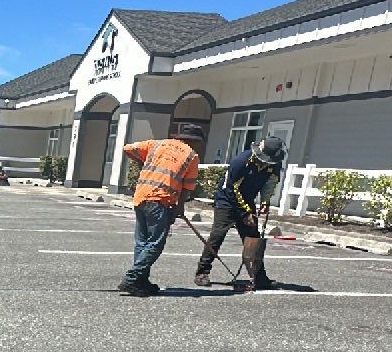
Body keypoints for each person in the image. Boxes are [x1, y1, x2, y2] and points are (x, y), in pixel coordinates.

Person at [117, 124, 203, 296]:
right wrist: (179, 208)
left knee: (143, 242)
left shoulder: (156, 145)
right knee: (155, 243)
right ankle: (133, 278)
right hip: (159, 200)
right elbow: (187, 187)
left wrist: (145, 163)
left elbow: (127, 149)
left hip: (141, 196)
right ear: (194, 141)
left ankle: (140, 281)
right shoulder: (191, 156)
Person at [193, 136, 287, 289]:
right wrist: (244, 214)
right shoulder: (241, 161)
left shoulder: (275, 164)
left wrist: (265, 201)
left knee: (254, 239)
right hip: (227, 200)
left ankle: (259, 277)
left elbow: (270, 184)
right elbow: (232, 190)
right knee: (217, 235)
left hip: (247, 200)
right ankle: (202, 272)